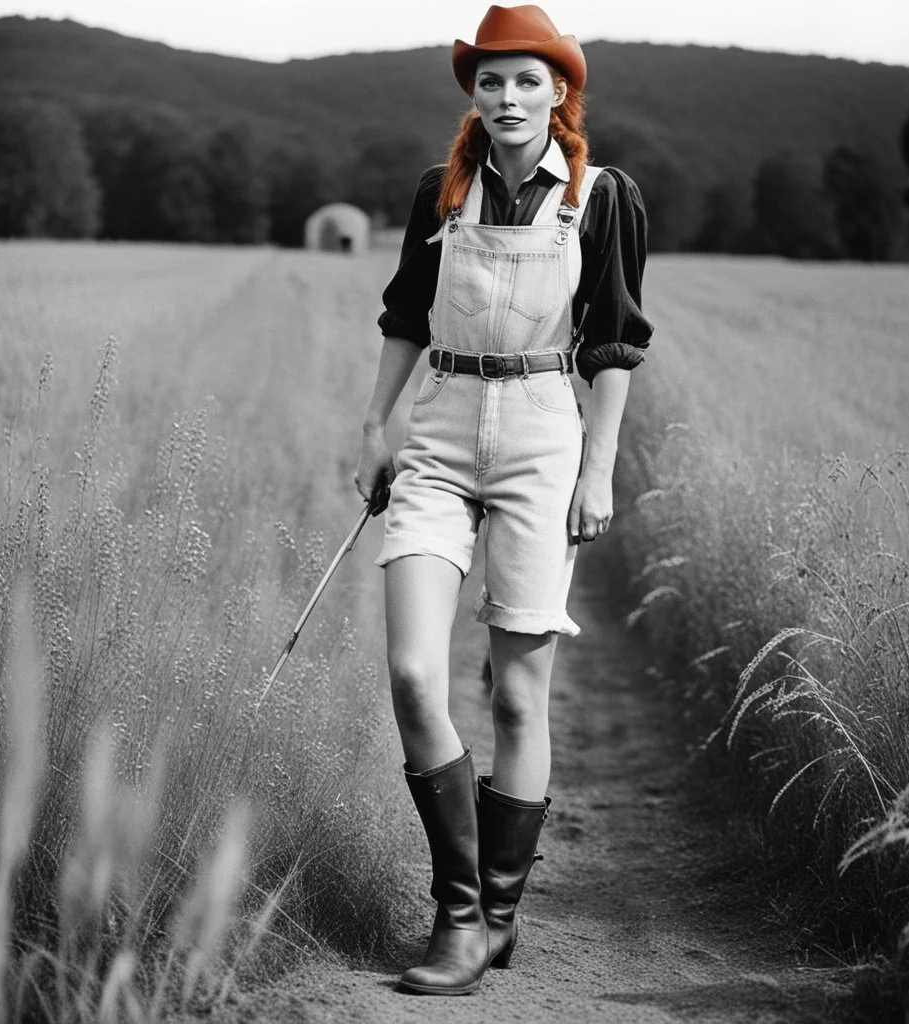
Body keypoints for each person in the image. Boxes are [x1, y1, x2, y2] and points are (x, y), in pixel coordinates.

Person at [354, 3, 653, 996]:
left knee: (518, 689)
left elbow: (612, 341)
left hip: (538, 436)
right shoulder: (436, 194)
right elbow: (403, 314)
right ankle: (458, 911)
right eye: (490, 81)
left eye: (527, 80)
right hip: (439, 430)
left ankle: (497, 914)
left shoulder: (601, 197)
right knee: (410, 673)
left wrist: (597, 465)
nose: (507, 96)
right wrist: (376, 426)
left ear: (559, 92)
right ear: (472, 96)